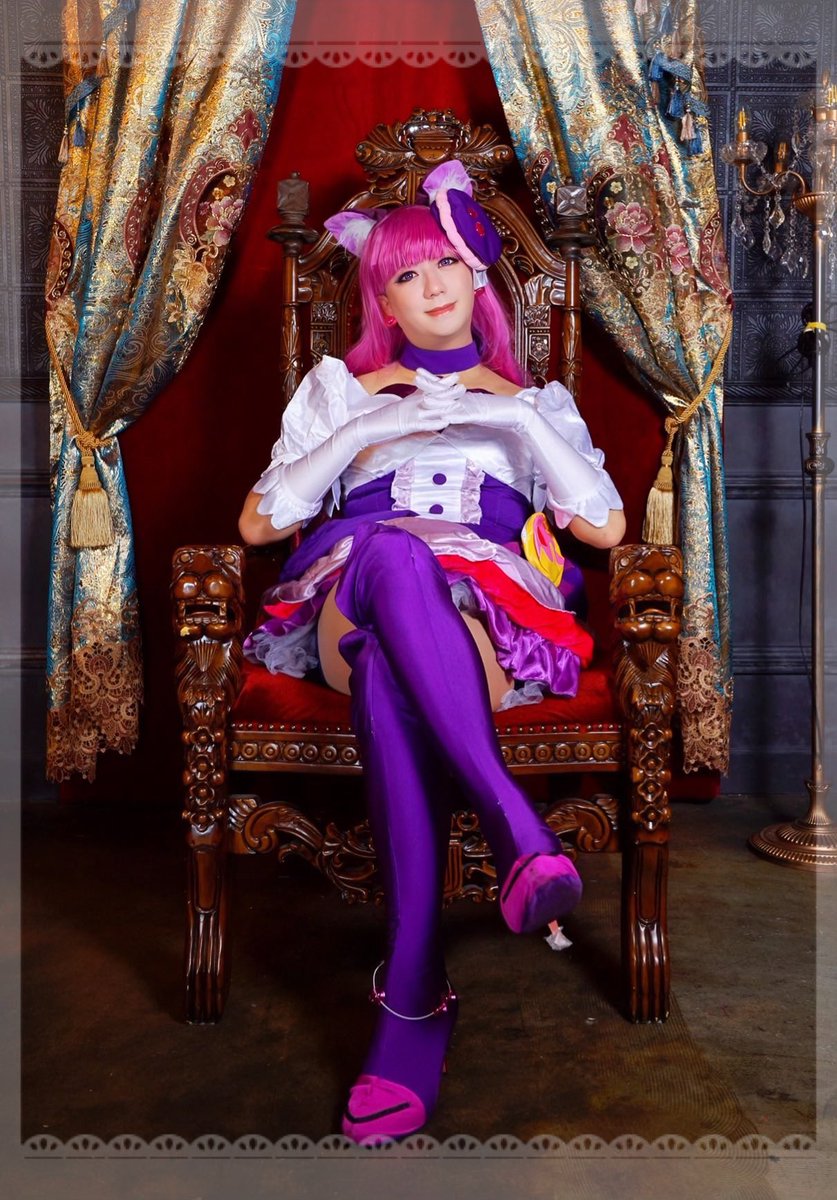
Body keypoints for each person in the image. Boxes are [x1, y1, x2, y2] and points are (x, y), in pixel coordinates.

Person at [238, 160, 625, 1143]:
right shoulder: (340, 390)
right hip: (349, 588)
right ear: (383, 299)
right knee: (393, 553)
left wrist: (515, 418)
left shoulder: (536, 401)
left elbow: (604, 528)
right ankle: (513, 829)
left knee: (388, 668)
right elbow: (259, 523)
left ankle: (412, 996)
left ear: (479, 273)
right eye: (406, 274)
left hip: (482, 614)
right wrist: (367, 429)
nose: (433, 284)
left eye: (447, 261)